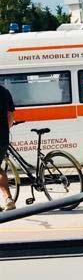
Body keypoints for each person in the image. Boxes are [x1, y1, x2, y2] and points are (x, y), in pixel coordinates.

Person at [0, 83, 16, 211]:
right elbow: (10, 116)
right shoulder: (4, 92)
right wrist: (6, 129)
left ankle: (8, 198)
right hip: (3, 135)